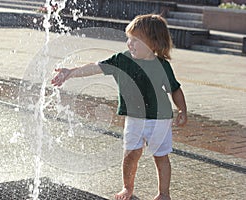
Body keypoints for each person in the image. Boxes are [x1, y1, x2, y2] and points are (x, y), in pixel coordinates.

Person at [51, 14, 187, 200]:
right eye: (129, 38)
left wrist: (182, 110)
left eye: (136, 40)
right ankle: (127, 188)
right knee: (130, 154)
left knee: (161, 156)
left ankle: (164, 194)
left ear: (153, 44)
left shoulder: (161, 65)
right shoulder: (122, 60)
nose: (129, 43)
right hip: (134, 118)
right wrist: (70, 73)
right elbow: (95, 67)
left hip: (160, 120)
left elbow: (175, 89)